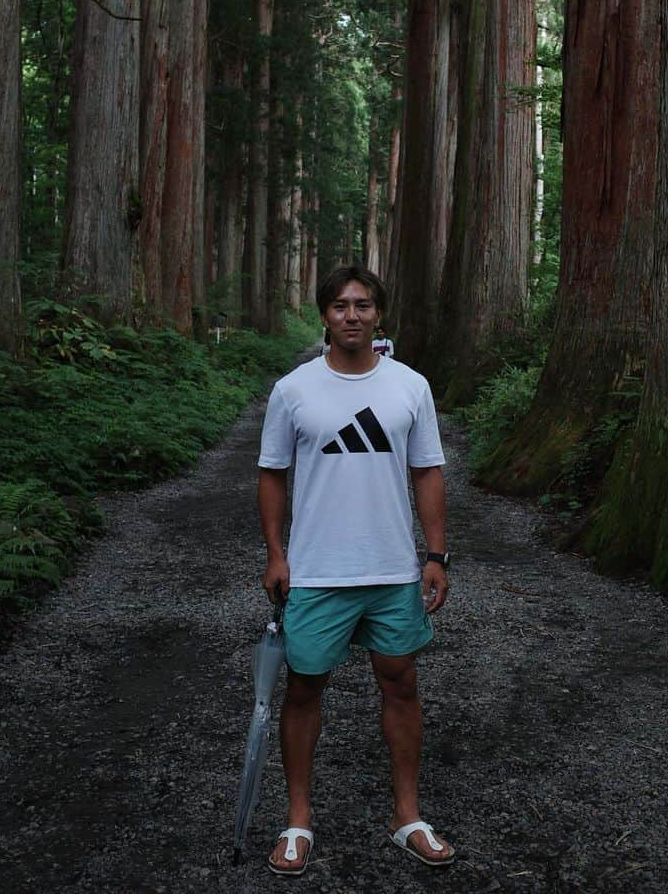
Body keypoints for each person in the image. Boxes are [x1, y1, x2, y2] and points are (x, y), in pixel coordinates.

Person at [257, 264, 454, 876]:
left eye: (363, 305)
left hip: (392, 569)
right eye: (340, 305)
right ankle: (297, 820)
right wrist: (276, 554)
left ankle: (407, 816)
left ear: (379, 314)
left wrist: (436, 553)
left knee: (401, 686)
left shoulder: (409, 387)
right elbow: (271, 473)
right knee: (303, 689)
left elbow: (427, 472)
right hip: (317, 571)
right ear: (324, 314)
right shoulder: (294, 390)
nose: (351, 315)